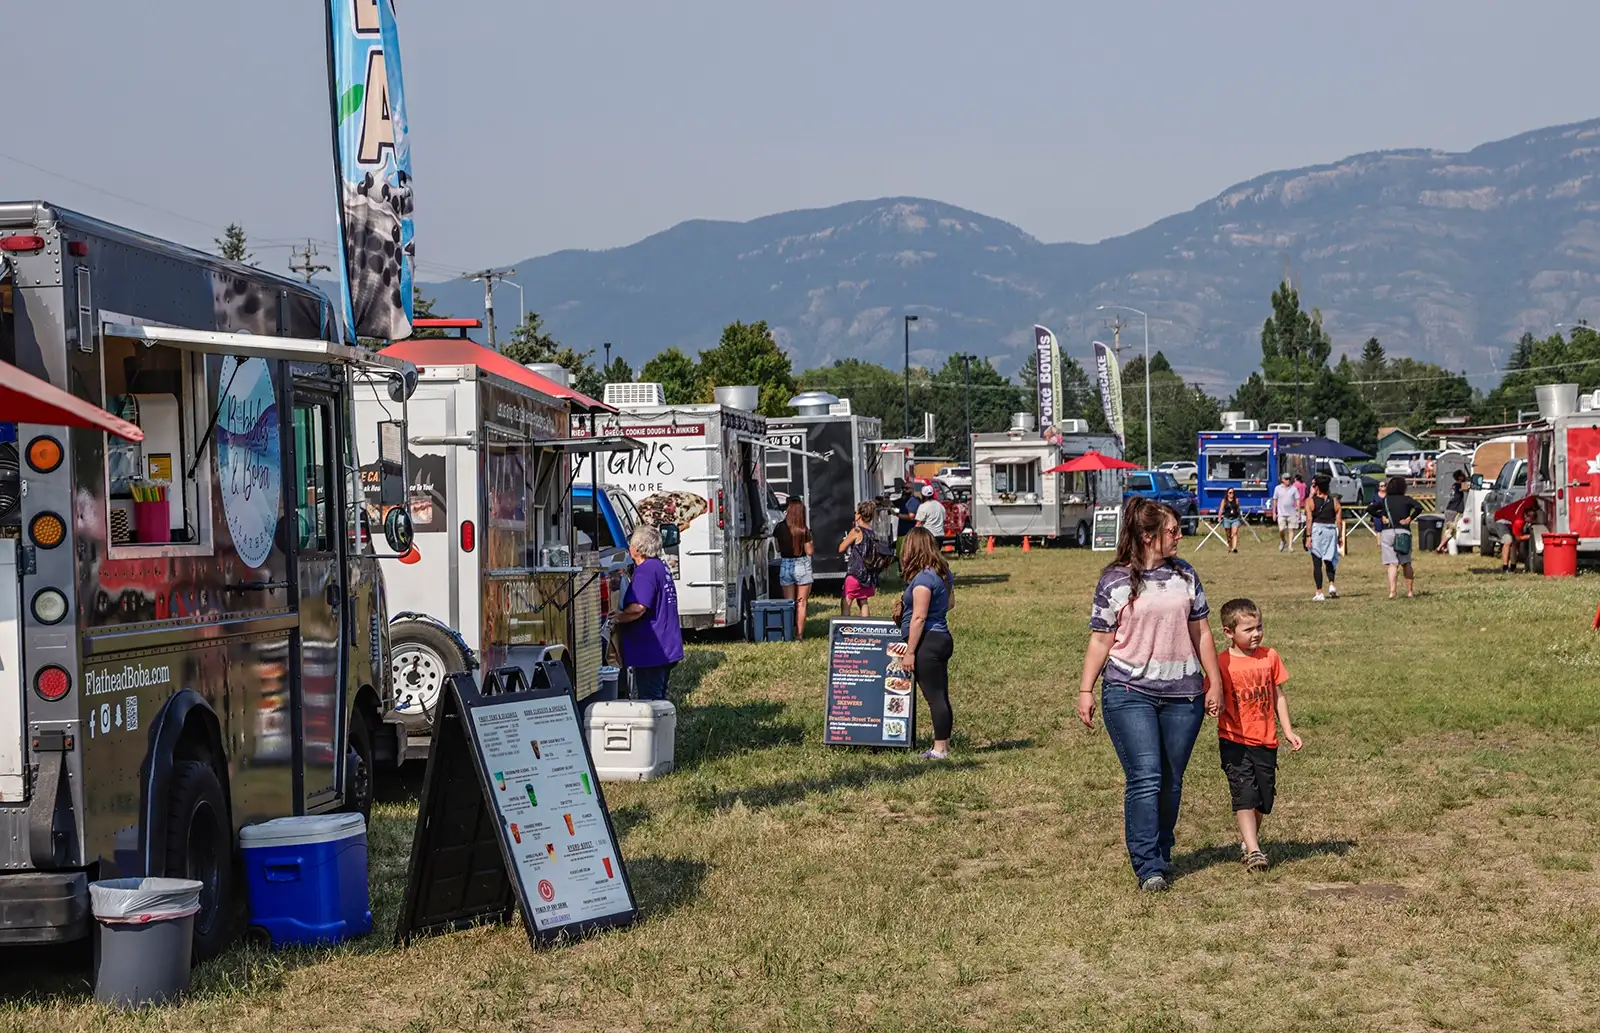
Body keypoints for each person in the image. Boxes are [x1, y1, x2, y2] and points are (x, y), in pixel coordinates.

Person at [1078, 499, 1225, 892]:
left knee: (1172, 781)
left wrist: (1215, 680)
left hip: (1184, 694)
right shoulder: (1115, 579)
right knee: (1147, 777)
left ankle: (1162, 849)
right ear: (1148, 536)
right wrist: (1086, 688)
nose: (1180, 536)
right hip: (1129, 691)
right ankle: (1148, 867)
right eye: (1172, 531)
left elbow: (1202, 633)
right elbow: (1100, 639)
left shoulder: (1186, 575)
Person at [1215, 598, 1303, 873]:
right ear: (1229, 632)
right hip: (1234, 740)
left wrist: (1287, 730)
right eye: (1249, 629)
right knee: (1245, 794)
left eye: (1259, 627)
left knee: (1264, 799)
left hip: (1267, 740)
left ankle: (1247, 840)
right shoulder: (1222, 662)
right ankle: (1254, 850)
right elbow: (1212, 695)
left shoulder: (1270, 657)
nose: (1256, 634)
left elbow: (1278, 695)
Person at [893, 528, 956, 760]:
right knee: (941, 694)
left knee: (934, 697)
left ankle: (940, 750)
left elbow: (919, 617)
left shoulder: (922, 580)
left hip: (927, 641)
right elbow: (950, 604)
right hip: (942, 636)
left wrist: (910, 651)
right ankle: (943, 744)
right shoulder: (942, 573)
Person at [614, 526, 683, 701]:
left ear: (637, 549)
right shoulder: (660, 567)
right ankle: (666, 728)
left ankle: (658, 729)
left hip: (652, 650)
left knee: (650, 701)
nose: (629, 547)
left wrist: (616, 617)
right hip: (667, 645)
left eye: (630, 544)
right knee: (660, 698)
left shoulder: (645, 571)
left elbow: (638, 607)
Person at [774, 497, 814, 639]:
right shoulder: (803, 529)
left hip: (786, 564)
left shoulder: (779, 527)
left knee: (789, 603)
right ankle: (799, 635)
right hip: (802, 564)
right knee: (801, 603)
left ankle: (788, 633)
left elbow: (778, 548)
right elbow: (809, 552)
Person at [1378, 476, 1423, 599]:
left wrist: (1382, 516)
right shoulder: (1407, 499)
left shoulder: (1385, 500)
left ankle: (1392, 592)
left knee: (1392, 564)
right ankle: (1409, 592)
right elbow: (1419, 507)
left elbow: (1370, 509)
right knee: (1406, 562)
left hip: (1388, 532)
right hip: (1403, 532)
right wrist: (1410, 518)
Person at [1302, 474, 1345, 601]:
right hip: (1331, 530)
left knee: (1317, 561)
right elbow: (1339, 520)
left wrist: (1309, 536)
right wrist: (1339, 537)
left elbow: (1309, 519)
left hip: (1317, 530)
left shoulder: (1310, 501)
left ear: (1317, 487)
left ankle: (1319, 591)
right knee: (1330, 559)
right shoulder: (1335, 501)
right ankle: (1331, 584)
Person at [839, 501, 883, 616]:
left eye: (855, 512)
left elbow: (841, 548)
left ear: (859, 515)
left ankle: (846, 630)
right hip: (868, 574)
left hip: (855, 572)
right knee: (863, 601)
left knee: (846, 600)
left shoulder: (856, 531)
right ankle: (866, 630)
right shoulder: (872, 532)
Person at [1494, 495, 1540, 574]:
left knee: (1515, 543)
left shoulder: (1529, 502)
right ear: (1525, 516)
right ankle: (1505, 567)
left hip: (1510, 520)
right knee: (1508, 540)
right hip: (1500, 520)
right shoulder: (1518, 522)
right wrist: (1530, 536)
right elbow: (1519, 537)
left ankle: (1513, 566)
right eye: (1530, 520)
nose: (1531, 522)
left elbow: (1532, 496)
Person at [1436, 469, 1468, 554]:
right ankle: (1439, 547)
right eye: (1462, 475)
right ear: (1459, 477)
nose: (1464, 476)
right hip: (1454, 510)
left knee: (1448, 529)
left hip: (1450, 509)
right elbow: (1466, 488)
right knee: (1450, 530)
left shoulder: (1454, 485)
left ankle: (1444, 548)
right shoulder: (1458, 485)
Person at [1272, 473, 1300, 553]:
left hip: (1291, 512)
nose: (1288, 480)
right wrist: (1274, 512)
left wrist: (1298, 511)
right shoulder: (1277, 488)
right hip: (1281, 513)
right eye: (1286, 479)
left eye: (1289, 479)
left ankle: (1290, 546)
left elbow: (1297, 499)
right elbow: (1275, 500)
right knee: (1281, 530)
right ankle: (1283, 540)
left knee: (1291, 529)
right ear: (1282, 480)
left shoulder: (1293, 489)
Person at [1218, 487, 1244, 553]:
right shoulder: (1224, 501)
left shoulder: (1236, 500)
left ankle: (1234, 548)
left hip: (1235, 519)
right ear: (1227, 494)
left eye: (1233, 492)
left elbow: (1238, 509)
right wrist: (1219, 517)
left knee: (1234, 533)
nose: (1232, 494)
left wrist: (1240, 517)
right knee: (1228, 535)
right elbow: (1221, 510)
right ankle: (1230, 546)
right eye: (1230, 492)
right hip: (1227, 519)